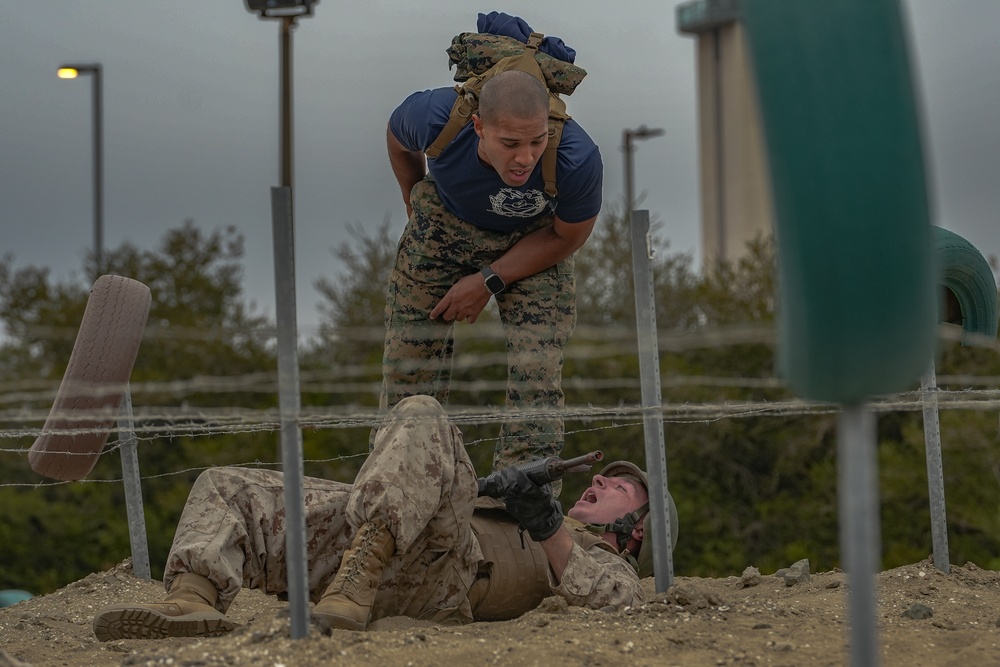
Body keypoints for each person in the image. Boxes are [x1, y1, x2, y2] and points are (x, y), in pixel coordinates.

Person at [92, 395, 676, 640]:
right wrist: (482, 490)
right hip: (384, 542)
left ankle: (355, 584)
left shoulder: (605, 562)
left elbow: (618, 605)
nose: (597, 481)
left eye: (621, 486)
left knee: (423, 411)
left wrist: (546, 523)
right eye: (602, 476)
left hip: (444, 579)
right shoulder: (540, 517)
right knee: (226, 485)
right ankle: (192, 599)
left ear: (638, 532)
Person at [381, 41, 604, 475]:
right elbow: (396, 136)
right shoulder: (436, 117)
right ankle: (403, 478)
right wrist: (413, 199)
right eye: (511, 143)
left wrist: (488, 279)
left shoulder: (577, 159)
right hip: (445, 224)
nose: (525, 158)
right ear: (479, 126)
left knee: (536, 366)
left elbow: (566, 236)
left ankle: (524, 492)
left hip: (531, 243)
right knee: (409, 363)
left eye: (537, 140)